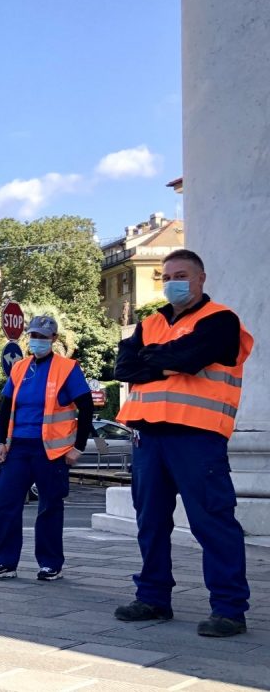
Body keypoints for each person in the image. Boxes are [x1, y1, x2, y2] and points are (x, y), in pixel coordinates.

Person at [113, 249, 255, 638]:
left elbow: (193, 358)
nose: (172, 281)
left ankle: (228, 610)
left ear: (201, 279)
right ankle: (153, 598)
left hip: (197, 436)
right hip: (149, 437)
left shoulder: (221, 320)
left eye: (181, 274)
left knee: (212, 520)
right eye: (166, 275)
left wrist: (154, 360)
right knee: (150, 521)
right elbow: (122, 368)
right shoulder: (150, 323)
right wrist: (166, 358)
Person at [0, 315, 93, 583]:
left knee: (50, 507)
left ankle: (50, 563)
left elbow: (87, 407)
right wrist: (1, 442)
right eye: (33, 336)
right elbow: (6, 407)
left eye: (43, 337)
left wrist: (78, 447)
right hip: (18, 447)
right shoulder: (20, 368)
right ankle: (5, 562)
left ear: (54, 339)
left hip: (51, 451)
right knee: (7, 503)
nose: (36, 341)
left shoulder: (67, 368)